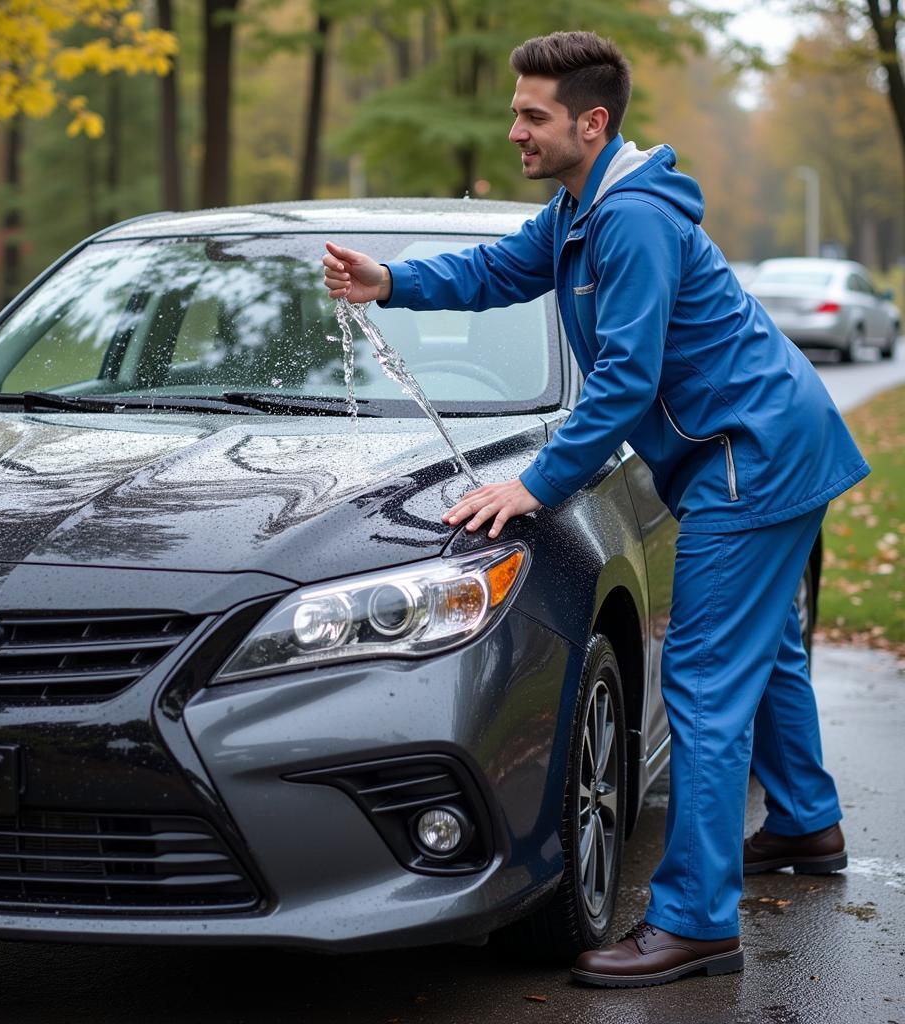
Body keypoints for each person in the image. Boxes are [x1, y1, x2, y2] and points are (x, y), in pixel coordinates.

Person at [321, 30, 868, 988]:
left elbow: (624, 381)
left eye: (533, 116)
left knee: (702, 680)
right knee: (767, 647)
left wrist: (533, 484)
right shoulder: (583, 207)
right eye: (516, 112)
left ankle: (697, 920)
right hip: (771, 440)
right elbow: (498, 272)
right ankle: (808, 824)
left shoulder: (633, 222)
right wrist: (393, 281)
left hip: (753, 457)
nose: (515, 131)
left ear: (592, 121)